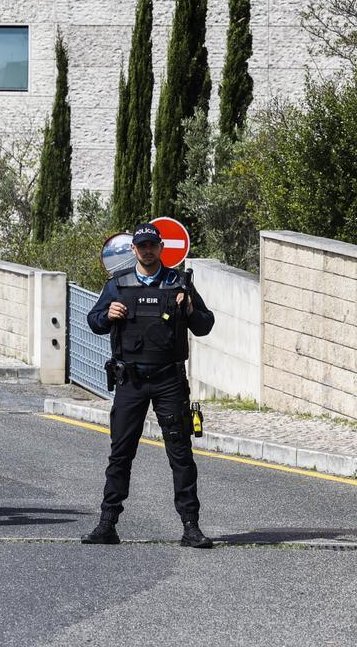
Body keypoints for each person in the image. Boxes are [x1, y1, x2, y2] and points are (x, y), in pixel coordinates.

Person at [81, 223, 216, 549]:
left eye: (152, 245)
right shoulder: (118, 285)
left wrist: (190, 309)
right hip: (131, 380)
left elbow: (205, 325)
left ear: (160, 247)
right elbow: (94, 321)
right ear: (134, 250)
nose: (147, 251)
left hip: (169, 380)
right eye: (142, 246)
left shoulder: (179, 283)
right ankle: (107, 524)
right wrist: (108, 314)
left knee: (181, 455)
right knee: (120, 454)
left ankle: (191, 527)